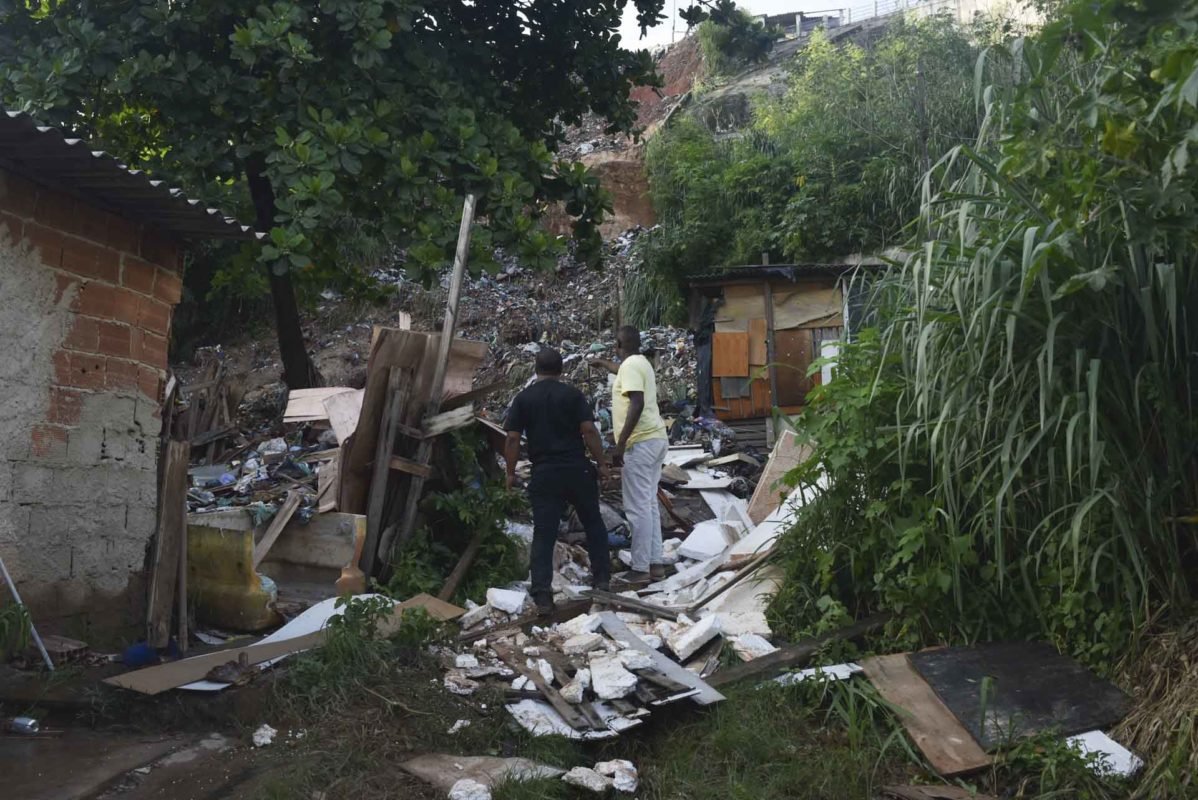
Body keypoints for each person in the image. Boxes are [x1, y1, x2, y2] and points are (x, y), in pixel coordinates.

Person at [504, 347, 612, 613]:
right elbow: (588, 430)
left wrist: (509, 472)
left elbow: (512, 438)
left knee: (544, 533)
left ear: (536, 369)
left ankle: (542, 595)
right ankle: (602, 580)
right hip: (577, 468)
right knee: (593, 523)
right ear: (561, 369)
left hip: (545, 473)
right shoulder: (573, 395)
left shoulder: (524, 399)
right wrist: (602, 464)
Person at [590, 326, 668, 587]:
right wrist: (603, 363)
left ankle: (640, 569)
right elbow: (622, 371)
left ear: (618, 344)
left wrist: (620, 444)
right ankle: (655, 564)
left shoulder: (631, 366)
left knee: (637, 508)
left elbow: (637, 402)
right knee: (648, 504)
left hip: (640, 442)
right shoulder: (639, 362)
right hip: (654, 439)